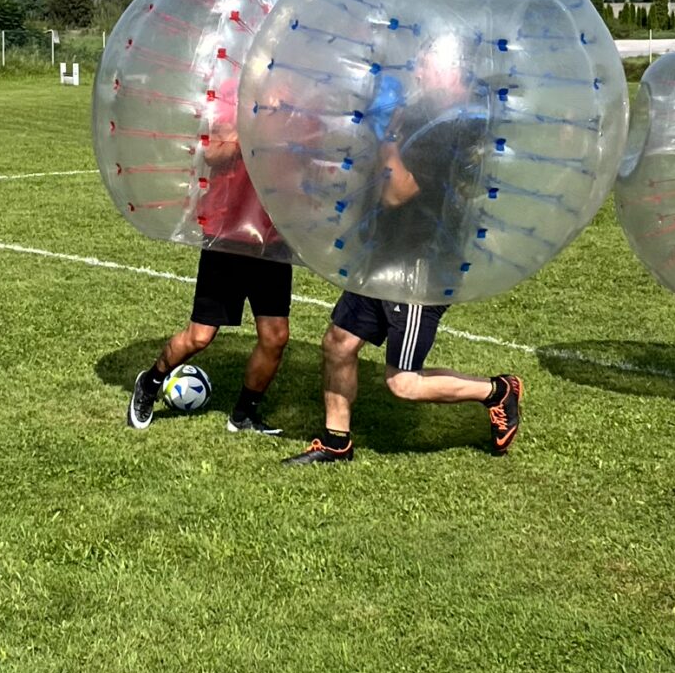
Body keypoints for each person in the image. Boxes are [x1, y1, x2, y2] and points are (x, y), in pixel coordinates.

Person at [284, 80, 522, 463]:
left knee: (403, 382)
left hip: (418, 266)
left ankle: (497, 391)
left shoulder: (444, 131)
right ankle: (335, 442)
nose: (420, 66)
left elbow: (397, 191)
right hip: (382, 254)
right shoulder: (414, 113)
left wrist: (385, 137)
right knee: (338, 343)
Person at [128, 93, 289, 433]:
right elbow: (215, 154)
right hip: (226, 233)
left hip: (271, 237)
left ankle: (244, 414)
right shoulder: (231, 93)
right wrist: (255, 124)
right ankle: (150, 382)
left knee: (275, 336)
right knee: (200, 336)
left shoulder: (297, 95)